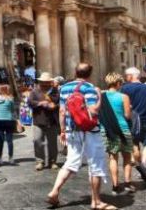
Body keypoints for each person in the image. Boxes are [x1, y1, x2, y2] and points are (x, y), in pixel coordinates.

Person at [46, 63, 114, 210]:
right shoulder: (90, 88)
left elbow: (62, 111)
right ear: (90, 74)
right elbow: (94, 111)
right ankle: (96, 202)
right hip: (90, 130)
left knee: (71, 162)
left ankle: (54, 191)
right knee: (96, 164)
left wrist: (62, 130)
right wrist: (99, 96)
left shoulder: (64, 88)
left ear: (75, 72)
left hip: (72, 129)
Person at [100, 73, 134, 195]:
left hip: (108, 130)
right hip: (123, 129)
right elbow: (127, 115)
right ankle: (128, 184)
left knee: (113, 157)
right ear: (118, 83)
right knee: (127, 157)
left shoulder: (101, 96)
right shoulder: (124, 97)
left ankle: (115, 185)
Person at [120, 67, 146, 182]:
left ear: (131, 76)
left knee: (134, 144)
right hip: (145, 118)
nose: (126, 78)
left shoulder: (124, 88)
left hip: (131, 120)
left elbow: (122, 105)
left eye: (126, 75)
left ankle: (138, 163)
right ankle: (144, 164)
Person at [29, 73, 60, 171]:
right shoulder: (35, 91)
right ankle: (40, 161)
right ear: (40, 82)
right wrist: (40, 103)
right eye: (43, 82)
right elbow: (30, 102)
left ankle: (53, 161)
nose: (45, 84)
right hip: (39, 119)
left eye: (47, 82)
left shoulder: (54, 91)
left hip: (52, 120)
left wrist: (54, 105)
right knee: (37, 140)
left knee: (52, 143)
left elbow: (59, 101)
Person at [0, 84, 16, 164]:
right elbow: (12, 110)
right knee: (9, 140)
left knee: (0, 140)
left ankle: (0, 157)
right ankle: (10, 158)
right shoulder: (10, 99)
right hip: (9, 120)